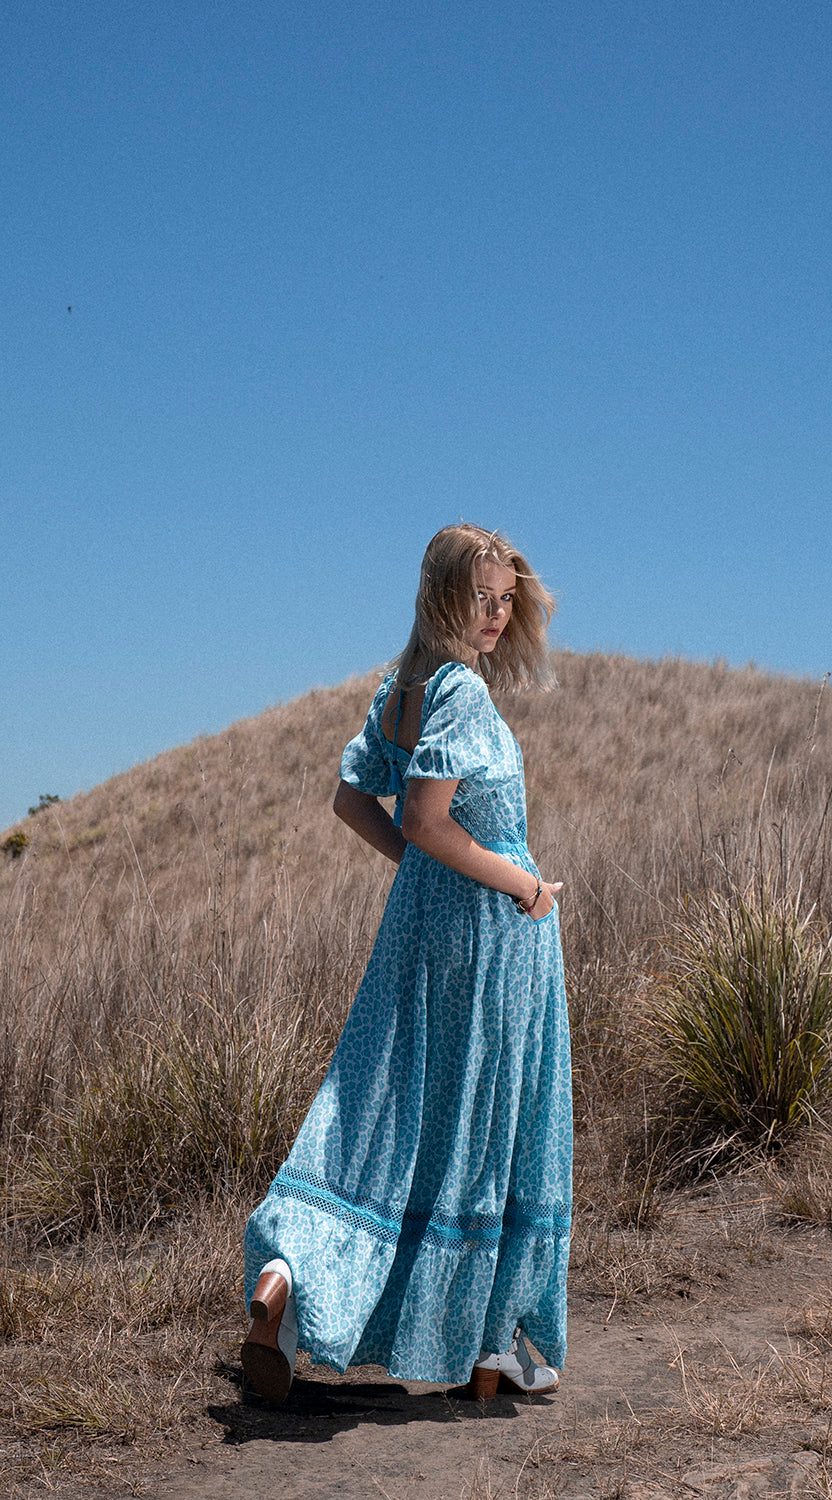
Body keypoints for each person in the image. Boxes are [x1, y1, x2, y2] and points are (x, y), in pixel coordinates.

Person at [240, 524, 572, 1404]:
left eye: (507, 598)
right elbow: (425, 820)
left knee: (382, 1108)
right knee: (478, 1126)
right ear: (440, 595)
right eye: (482, 597)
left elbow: (354, 799)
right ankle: (485, 1350)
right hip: (491, 937)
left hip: (424, 928)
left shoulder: (404, 689)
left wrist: (422, 877)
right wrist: (524, 887)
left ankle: (282, 1282)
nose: (497, 615)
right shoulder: (458, 690)